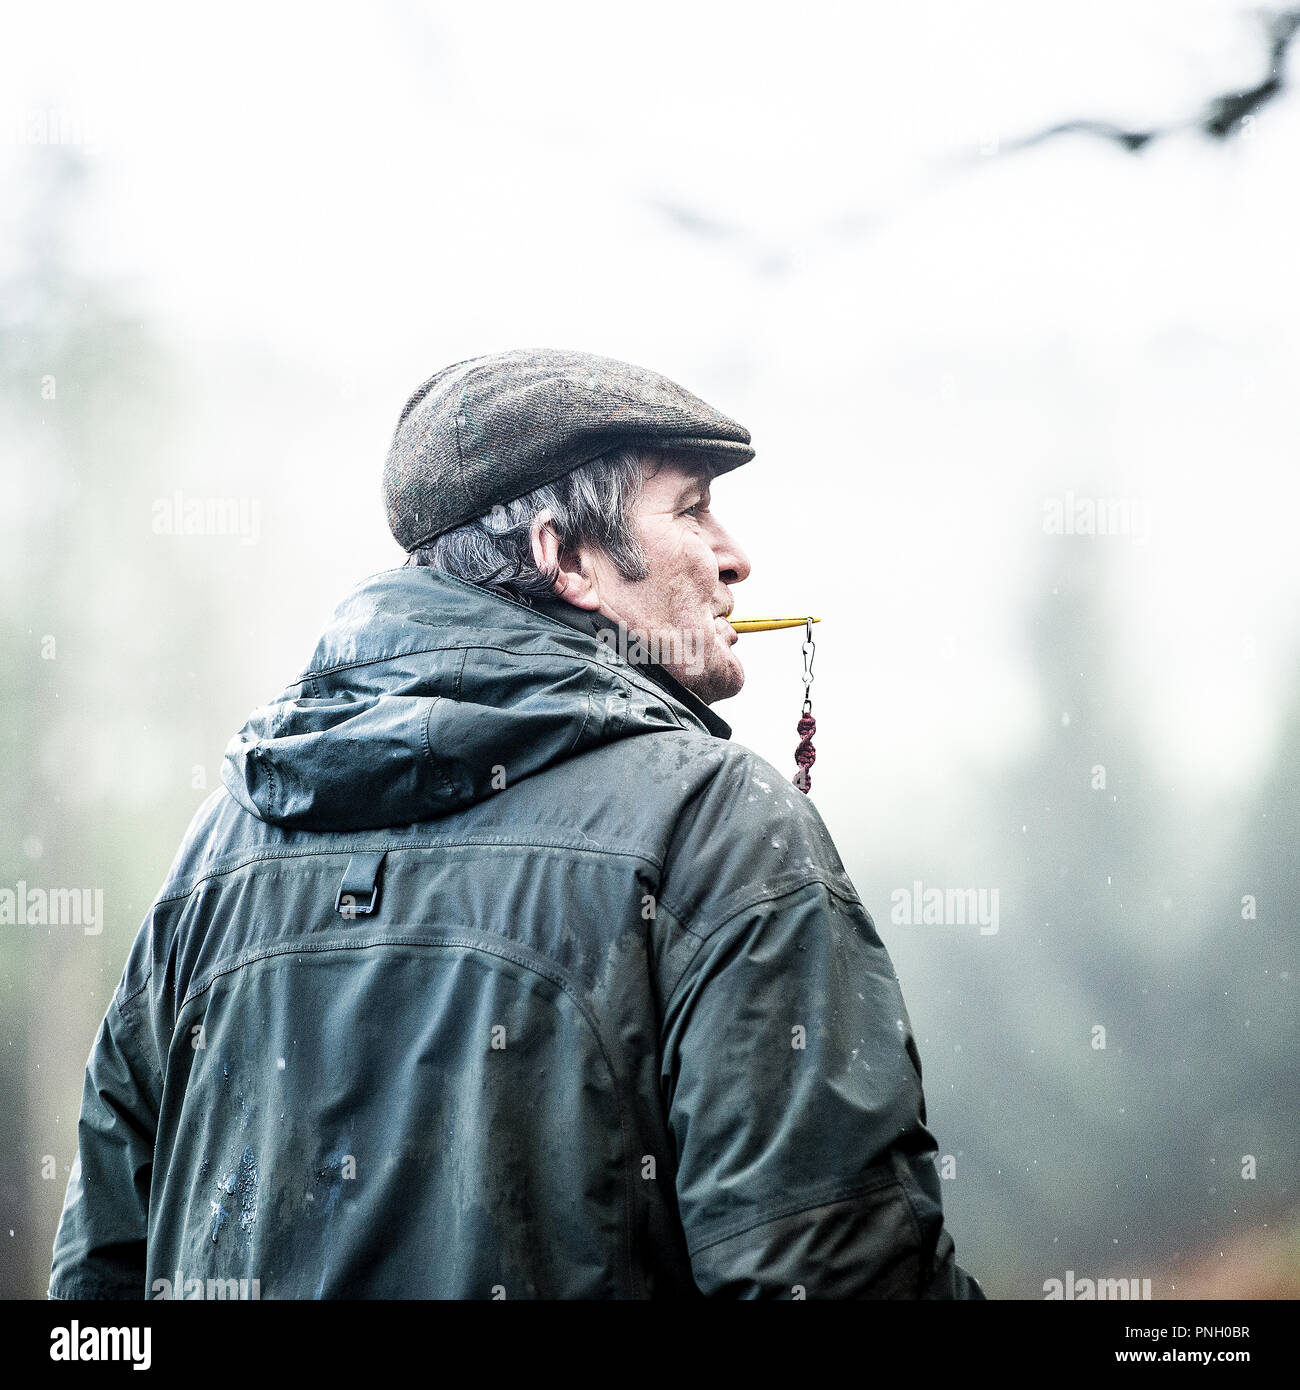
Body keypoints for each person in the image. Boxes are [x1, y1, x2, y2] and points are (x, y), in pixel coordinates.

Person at [50, 348, 984, 1299]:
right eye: (692, 510)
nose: (735, 556)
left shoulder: (219, 847)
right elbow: (831, 1279)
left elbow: (95, 1286)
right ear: (565, 557)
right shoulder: (714, 826)